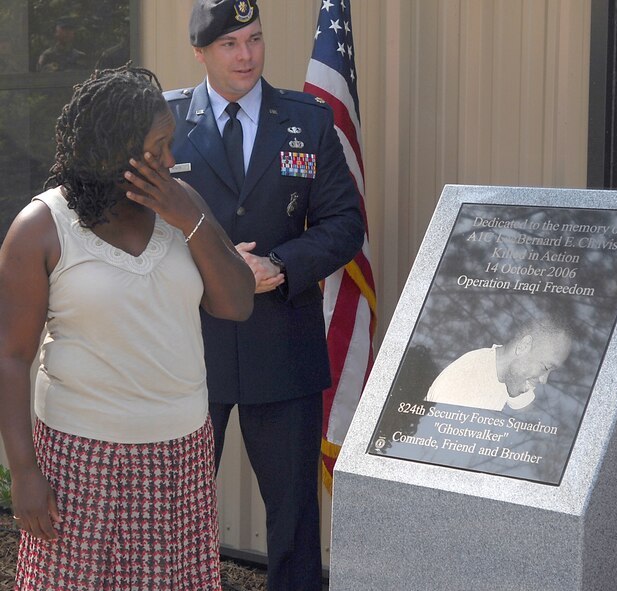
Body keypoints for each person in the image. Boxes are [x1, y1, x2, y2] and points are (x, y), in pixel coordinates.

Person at [0, 64, 255, 590]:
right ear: (113, 153)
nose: (170, 160)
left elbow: (236, 304)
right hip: (80, 459)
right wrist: (23, 472)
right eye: (158, 147)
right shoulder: (42, 228)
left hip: (178, 456)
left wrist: (192, 219)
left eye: (171, 145)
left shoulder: (181, 207)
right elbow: (11, 356)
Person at [165, 1, 364, 589]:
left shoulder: (309, 118)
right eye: (229, 45)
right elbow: (141, 235)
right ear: (200, 52)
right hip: (188, 351)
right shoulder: (168, 123)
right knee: (175, 513)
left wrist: (276, 264)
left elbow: (344, 224)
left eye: (254, 39)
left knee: (295, 518)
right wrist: (225, 272)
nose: (246, 55)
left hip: (283, 346)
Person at [425, 315, 573, 411]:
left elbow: (526, 410)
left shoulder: (507, 371)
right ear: (523, 346)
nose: (544, 380)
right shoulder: (461, 389)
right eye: (545, 367)